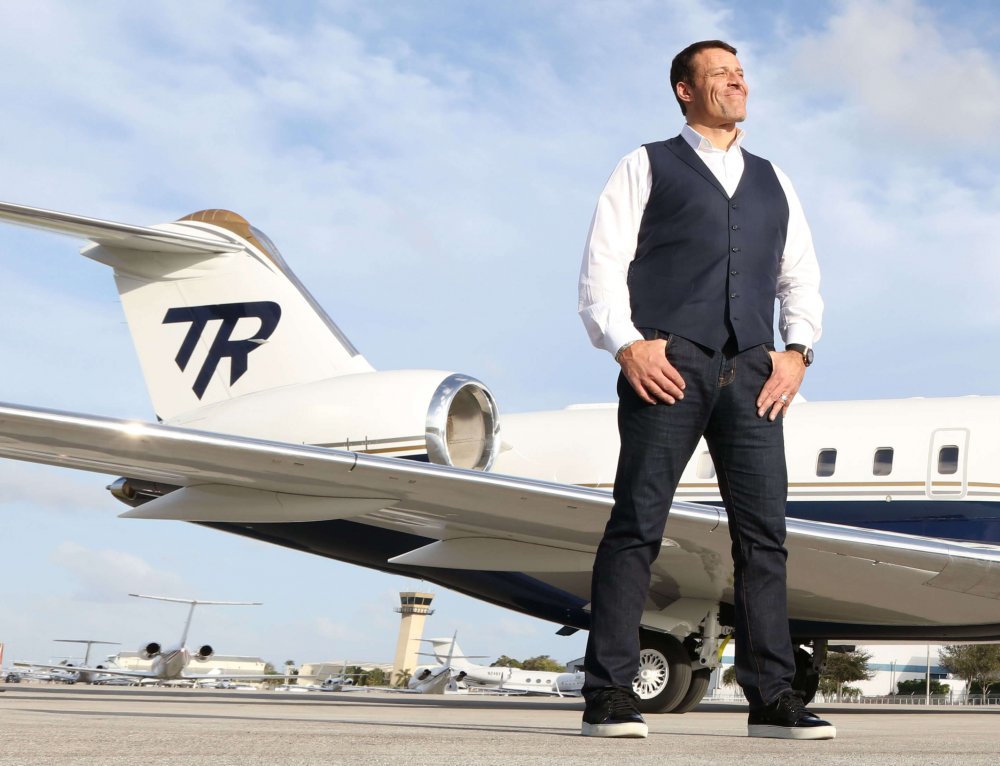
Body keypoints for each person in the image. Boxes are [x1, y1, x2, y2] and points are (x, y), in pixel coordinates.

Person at [577, 40, 834, 740]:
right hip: (669, 364)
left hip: (754, 372)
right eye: (720, 74)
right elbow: (602, 268)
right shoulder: (646, 164)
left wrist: (797, 352)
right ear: (685, 91)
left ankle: (772, 696)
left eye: (741, 74)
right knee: (638, 525)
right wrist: (627, 344)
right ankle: (609, 691)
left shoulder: (774, 180)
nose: (737, 82)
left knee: (765, 538)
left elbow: (800, 278)